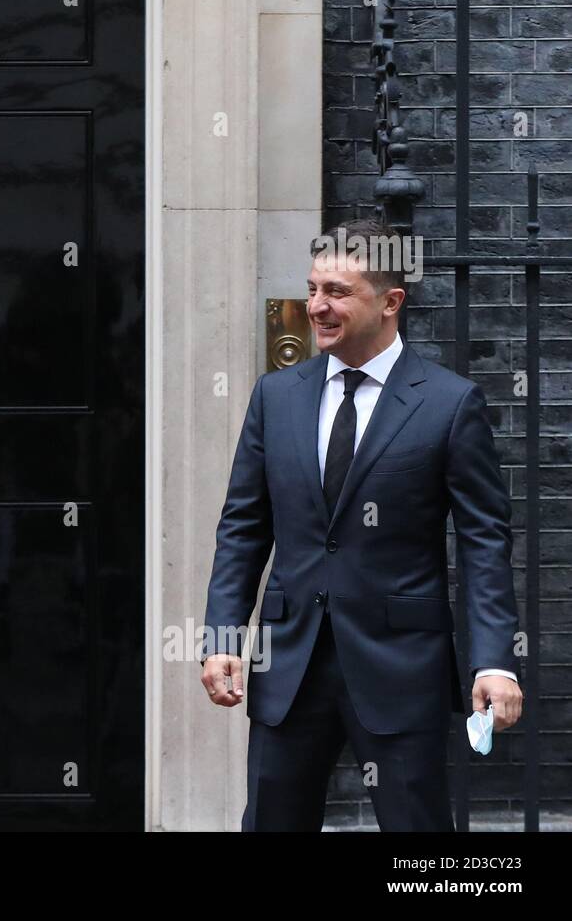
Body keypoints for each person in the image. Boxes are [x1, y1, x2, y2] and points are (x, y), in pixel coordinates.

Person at [200, 218, 523, 831]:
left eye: (338, 292)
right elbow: (243, 527)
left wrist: (494, 662)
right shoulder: (276, 397)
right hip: (288, 666)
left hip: (400, 667)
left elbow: (484, 542)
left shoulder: (449, 404)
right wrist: (220, 637)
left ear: (391, 302)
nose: (317, 306)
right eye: (313, 288)